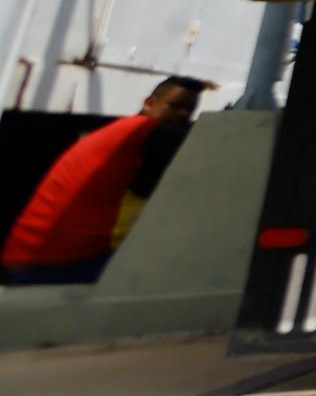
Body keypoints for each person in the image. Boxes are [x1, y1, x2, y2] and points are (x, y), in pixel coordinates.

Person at [3, 76, 205, 285]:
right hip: (53, 265)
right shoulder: (147, 131)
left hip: (28, 257)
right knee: (176, 274)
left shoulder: (121, 131)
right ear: (149, 103)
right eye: (175, 106)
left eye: (189, 110)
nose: (183, 115)